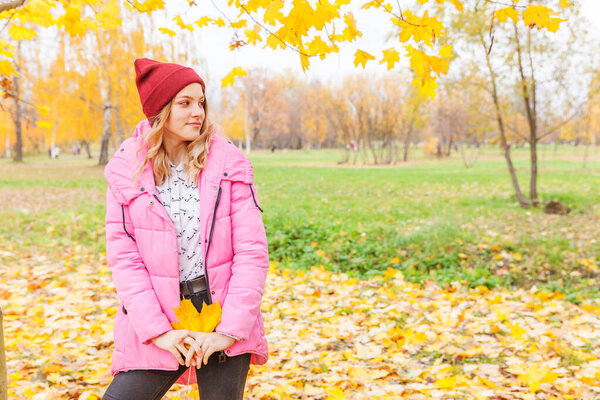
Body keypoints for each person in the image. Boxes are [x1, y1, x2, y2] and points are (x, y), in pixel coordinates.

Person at [101, 58, 269, 400]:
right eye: (185, 102)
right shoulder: (126, 170)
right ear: (160, 110)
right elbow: (125, 261)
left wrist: (228, 331)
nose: (199, 112)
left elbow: (252, 253)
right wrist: (159, 333)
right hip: (159, 314)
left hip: (222, 310)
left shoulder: (229, 164)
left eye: (201, 102)